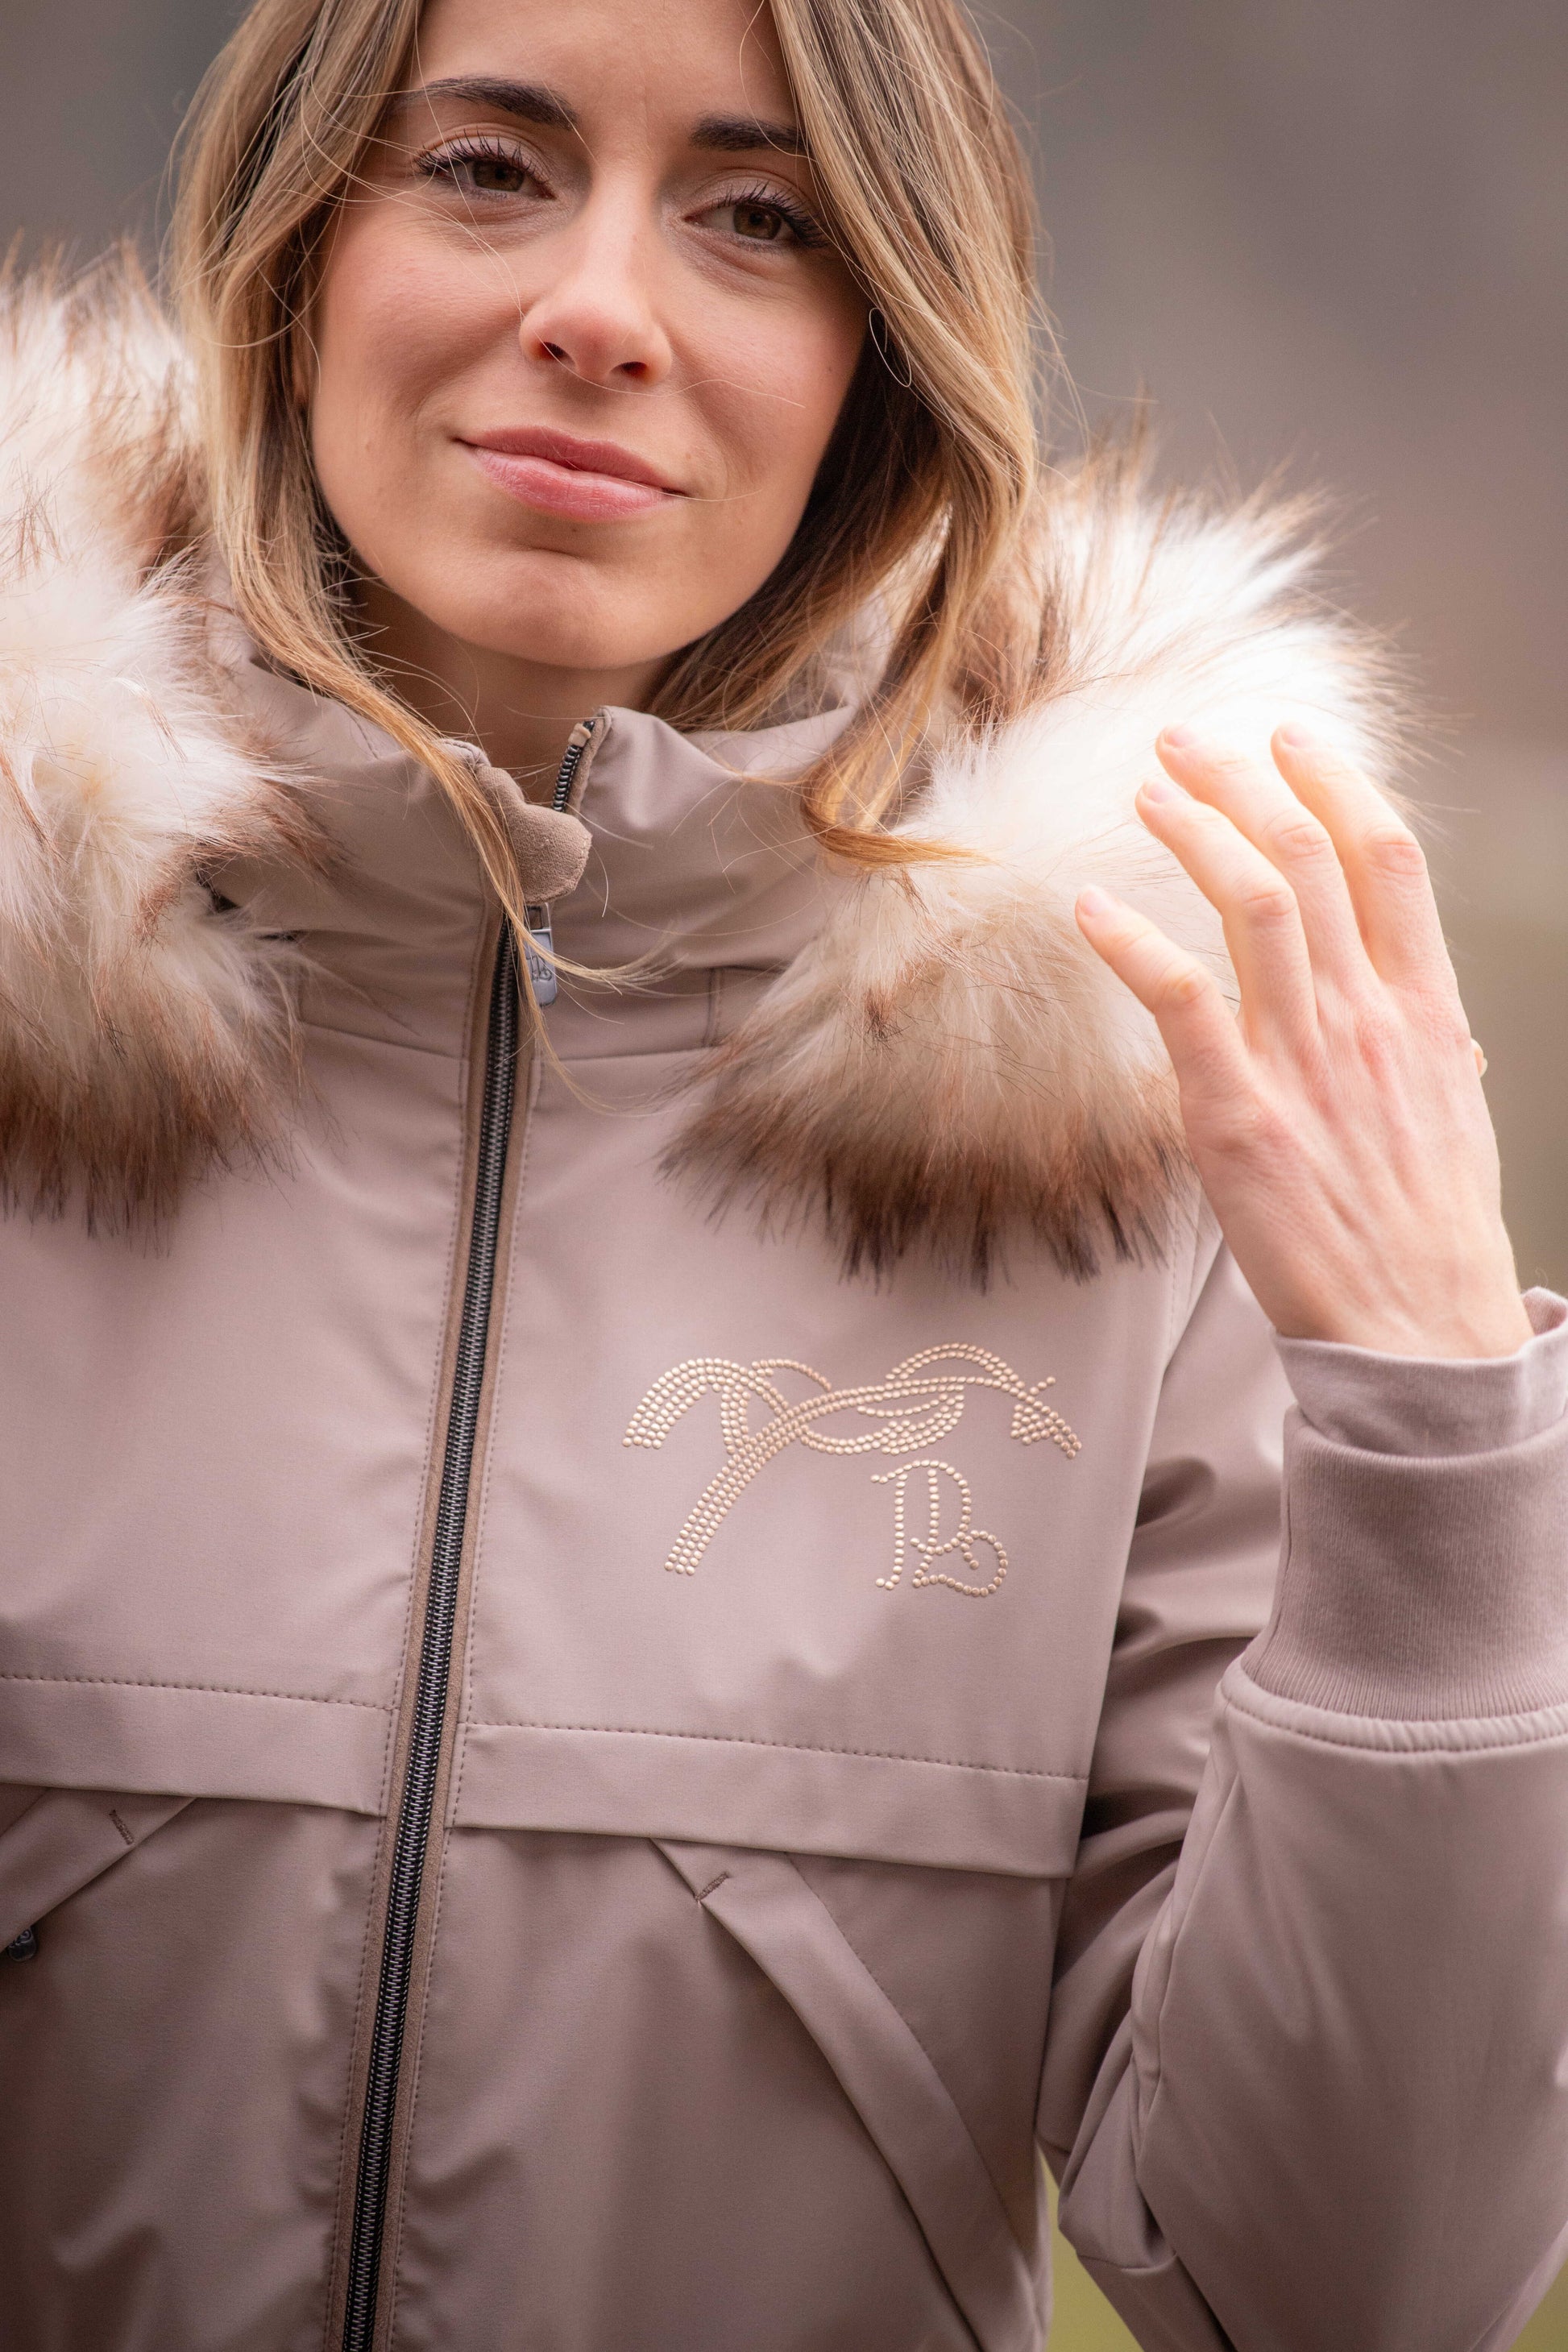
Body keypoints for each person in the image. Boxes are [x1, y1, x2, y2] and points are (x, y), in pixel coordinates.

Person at [0, 0, 1564, 2344]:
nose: (600, 312)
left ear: (884, 357)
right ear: (292, 240)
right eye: (489, 168)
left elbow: (1347, 2289)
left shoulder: (1127, 1122)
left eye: (757, 218)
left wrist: (1434, 1440)